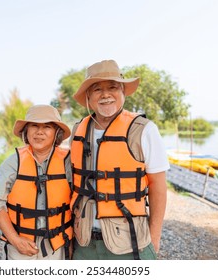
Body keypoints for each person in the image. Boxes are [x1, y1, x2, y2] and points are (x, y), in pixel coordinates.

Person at [69, 59, 169, 260]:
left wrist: (154, 237)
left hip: (129, 241)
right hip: (83, 240)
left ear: (123, 91)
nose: (105, 94)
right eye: (97, 89)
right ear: (88, 96)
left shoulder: (144, 129)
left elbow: (158, 185)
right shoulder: (77, 130)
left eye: (112, 87)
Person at [0, 104, 73, 260]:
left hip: (58, 245)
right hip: (20, 246)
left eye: (47, 126)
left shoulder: (69, 161)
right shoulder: (13, 162)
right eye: (34, 126)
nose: (39, 132)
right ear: (26, 131)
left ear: (57, 133)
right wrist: (15, 240)